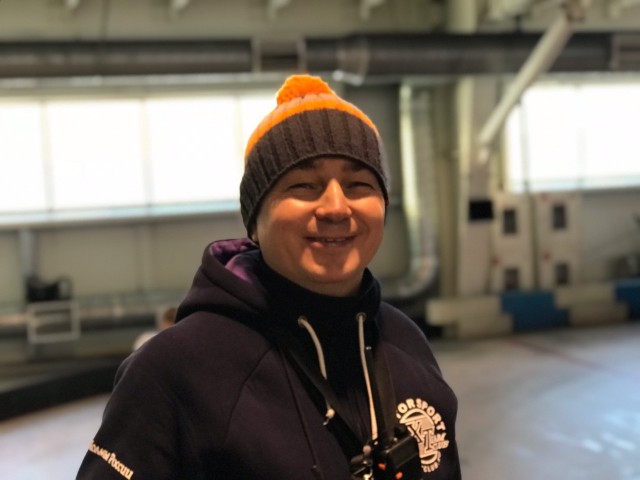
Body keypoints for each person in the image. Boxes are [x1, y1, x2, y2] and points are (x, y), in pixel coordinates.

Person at [76, 74, 461, 480]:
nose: (336, 207)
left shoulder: (405, 342)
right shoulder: (173, 372)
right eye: (304, 185)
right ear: (255, 221)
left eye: (359, 184)